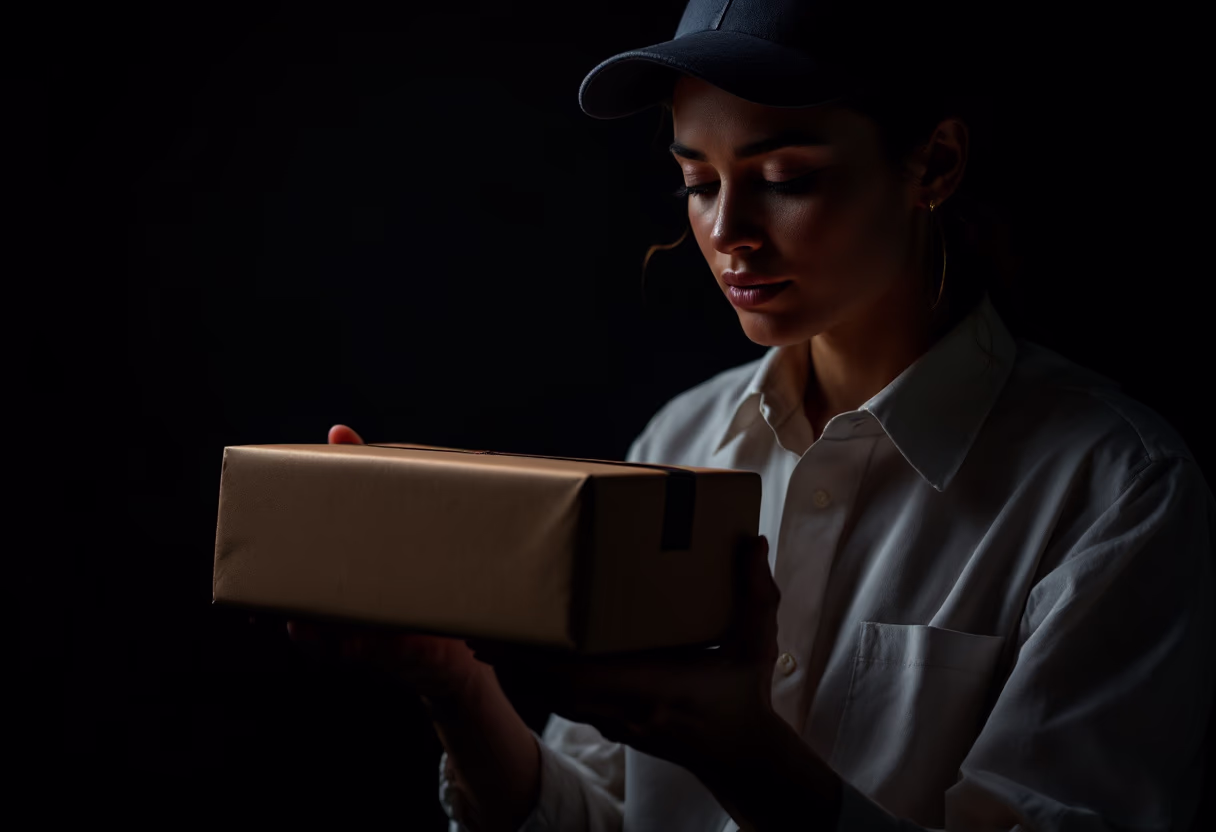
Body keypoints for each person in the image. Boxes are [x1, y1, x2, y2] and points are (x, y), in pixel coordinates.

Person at [290, 1, 1216, 829]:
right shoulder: (680, 445)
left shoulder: (1110, 489)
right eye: (698, 181)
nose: (729, 229)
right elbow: (595, 816)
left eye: (785, 176)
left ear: (933, 163)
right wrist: (454, 685)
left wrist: (743, 749)